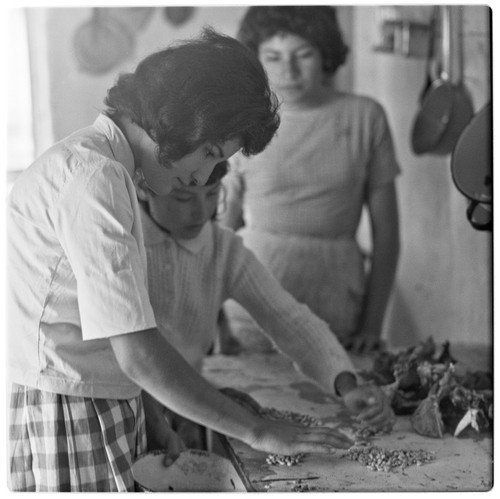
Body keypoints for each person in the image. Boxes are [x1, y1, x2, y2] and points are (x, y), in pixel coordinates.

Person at [7, 28, 358, 493]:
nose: (202, 178)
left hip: (95, 397)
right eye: (210, 154)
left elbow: (110, 334)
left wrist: (148, 411)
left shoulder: (102, 169)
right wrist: (259, 431)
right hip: (70, 406)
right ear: (175, 120)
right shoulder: (95, 178)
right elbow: (139, 356)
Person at [136, 160, 395, 461]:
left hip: (191, 401)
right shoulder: (125, 241)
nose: (201, 211)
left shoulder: (223, 248)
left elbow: (290, 320)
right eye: (183, 198)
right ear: (146, 188)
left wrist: (346, 384)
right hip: (124, 407)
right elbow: (128, 355)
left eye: (212, 194)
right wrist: (154, 419)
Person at [220, 6, 401, 355]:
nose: (288, 70)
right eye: (273, 56)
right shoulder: (243, 121)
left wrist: (372, 324)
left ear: (327, 55)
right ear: (256, 61)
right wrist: (213, 321)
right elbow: (219, 231)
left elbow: (388, 234)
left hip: (337, 302)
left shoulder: (366, 117)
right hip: (250, 303)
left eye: (303, 54)